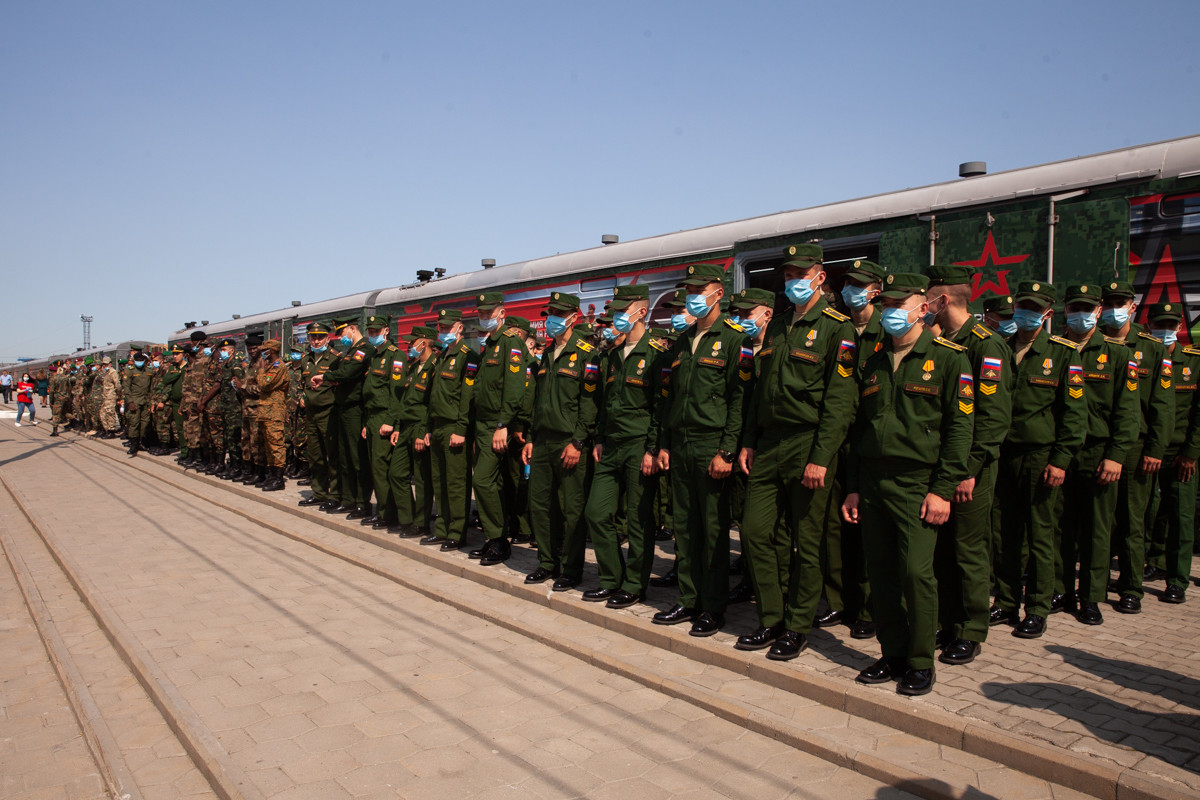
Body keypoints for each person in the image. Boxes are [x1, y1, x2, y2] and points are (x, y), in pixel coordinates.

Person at [842, 272, 973, 696]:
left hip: (919, 483)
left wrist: (942, 488)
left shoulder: (950, 359)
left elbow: (959, 429)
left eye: (901, 305)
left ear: (923, 308)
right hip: (875, 482)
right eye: (887, 305)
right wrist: (856, 486)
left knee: (916, 574)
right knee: (880, 574)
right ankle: (892, 653)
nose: (891, 313)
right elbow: (862, 429)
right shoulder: (875, 360)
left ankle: (920, 661)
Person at [736, 245, 859, 660]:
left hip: (809, 443)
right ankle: (771, 616)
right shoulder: (777, 327)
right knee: (755, 532)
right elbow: (758, 390)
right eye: (787, 276)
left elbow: (840, 401)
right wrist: (750, 439)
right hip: (769, 445)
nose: (792, 282)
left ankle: (797, 625)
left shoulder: (837, 329)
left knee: (808, 542)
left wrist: (821, 457)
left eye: (799, 274)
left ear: (820, 277)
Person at [654, 263, 752, 637]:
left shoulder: (733, 338)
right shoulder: (682, 341)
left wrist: (727, 451)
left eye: (699, 290)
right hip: (680, 445)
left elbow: (739, 398)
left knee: (712, 530)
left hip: (711, 445)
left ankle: (713, 606)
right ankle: (689, 597)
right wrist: (664, 444)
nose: (693, 297)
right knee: (685, 527)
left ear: (718, 294)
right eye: (689, 291)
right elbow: (670, 400)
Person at [925, 266, 1015, 666]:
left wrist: (968, 469)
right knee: (942, 550)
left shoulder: (985, 346)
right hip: (944, 464)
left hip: (970, 468)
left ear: (943, 300)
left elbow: (992, 419)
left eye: (927, 299)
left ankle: (971, 629)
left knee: (967, 549)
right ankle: (949, 623)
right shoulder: (943, 342)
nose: (921, 306)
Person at [991, 282, 1086, 638]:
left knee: (1040, 533)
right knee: (1004, 533)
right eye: (1021, 306)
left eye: (1033, 308)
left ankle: (1038, 607)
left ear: (1047, 314)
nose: (1024, 314)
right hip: (1003, 455)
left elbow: (1074, 414)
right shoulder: (998, 348)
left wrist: (1060, 460)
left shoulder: (1062, 354)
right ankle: (1006, 599)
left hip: (1039, 456)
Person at [1052, 285, 1139, 625]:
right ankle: (1060, 589)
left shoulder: (1117, 355)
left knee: (1096, 528)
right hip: (1060, 452)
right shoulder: (1055, 351)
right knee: (1059, 525)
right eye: (1075, 307)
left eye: (1088, 309)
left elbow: (1127, 411)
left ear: (1099, 312)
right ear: (1065, 310)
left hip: (1096, 452)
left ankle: (1090, 596)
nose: (1081, 314)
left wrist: (1116, 455)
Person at [581, 284, 671, 609]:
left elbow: (661, 409)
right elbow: (605, 404)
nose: (618, 316)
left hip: (639, 447)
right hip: (612, 447)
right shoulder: (612, 357)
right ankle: (611, 578)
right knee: (597, 512)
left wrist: (652, 448)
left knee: (638, 519)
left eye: (623, 309)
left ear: (641, 312)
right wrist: (601, 439)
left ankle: (635, 584)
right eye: (615, 310)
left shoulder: (658, 356)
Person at [1101, 281, 1174, 615]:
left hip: (1136, 447)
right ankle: (1096, 581)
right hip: (1098, 444)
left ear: (1133, 306)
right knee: (1098, 520)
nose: (1116, 308)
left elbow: (1163, 404)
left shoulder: (1150, 348)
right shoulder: (1090, 343)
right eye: (1110, 302)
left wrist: (1156, 449)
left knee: (1132, 521)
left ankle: (1130, 587)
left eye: (1122, 302)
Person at [522, 292, 601, 585]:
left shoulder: (586, 354)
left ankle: (571, 569)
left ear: (572, 317)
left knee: (571, 509)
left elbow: (589, 402)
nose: (551, 319)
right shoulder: (545, 354)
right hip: (542, 441)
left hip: (569, 442)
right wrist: (531, 437)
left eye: (557, 313)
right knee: (540, 505)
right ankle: (547, 562)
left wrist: (579, 441)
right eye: (549, 313)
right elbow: (538, 398)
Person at [469, 292, 531, 567]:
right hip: (483, 424)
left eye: (488, 313)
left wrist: (503, 424)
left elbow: (515, 387)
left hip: (497, 424)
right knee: (491, 482)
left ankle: (500, 539)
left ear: (502, 313)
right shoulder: (491, 345)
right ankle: (495, 538)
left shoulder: (510, 342)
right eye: (480, 314)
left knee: (482, 480)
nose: (484, 318)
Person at [1145, 303, 1200, 604]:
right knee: (1151, 512)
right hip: (1148, 451)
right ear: (1149, 324)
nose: (1165, 330)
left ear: (1179, 326)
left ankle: (1177, 579)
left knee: (1180, 515)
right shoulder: (1142, 358)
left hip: (1180, 454)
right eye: (1159, 324)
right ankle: (1155, 560)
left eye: (1170, 325)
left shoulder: (1193, 362)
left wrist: (1191, 452)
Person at [421, 308, 478, 550]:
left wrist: (461, 429)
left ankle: (457, 532)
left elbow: (467, 396)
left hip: (455, 426)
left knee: (456, 483)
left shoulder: (469, 356)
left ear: (459, 328)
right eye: (440, 328)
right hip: (438, 426)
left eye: (447, 327)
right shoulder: (442, 356)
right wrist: (429, 427)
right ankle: (442, 528)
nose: (442, 332)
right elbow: (433, 397)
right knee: (439, 480)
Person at [297, 323, 340, 510]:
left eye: (320, 337)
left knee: (333, 456)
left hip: (329, 412)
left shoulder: (336, 358)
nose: (316, 341)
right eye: (313, 337)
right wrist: (302, 396)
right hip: (311, 413)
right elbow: (303, 384)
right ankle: (319, 493)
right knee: (315, 456)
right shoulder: (306, 359)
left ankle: (337, 495)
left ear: (327, 339)